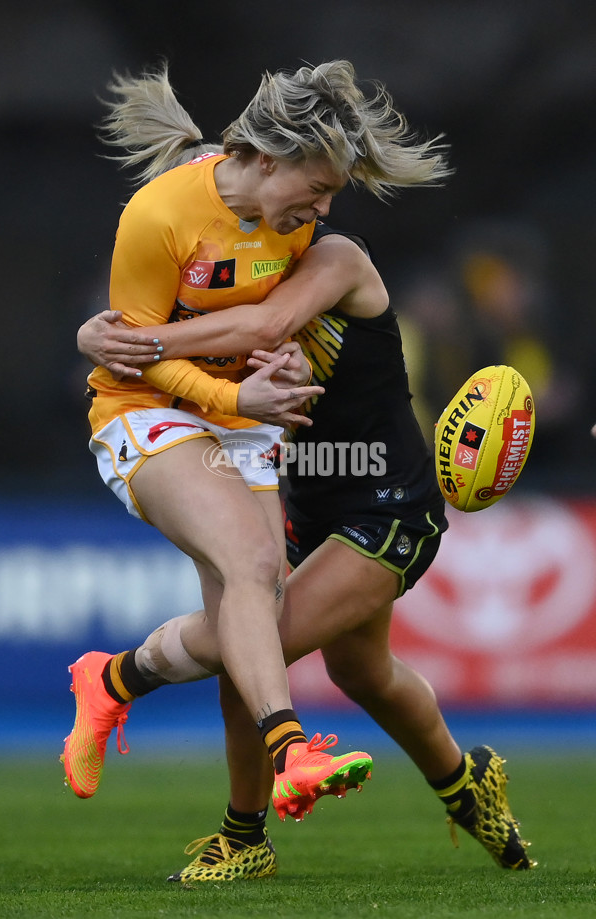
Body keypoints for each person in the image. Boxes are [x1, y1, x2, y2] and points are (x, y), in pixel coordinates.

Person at [76, 224, 535, 881]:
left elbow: (270, 323)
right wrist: (100, 339)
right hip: (310, 505)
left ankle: (140, 703)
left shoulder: (335, 258)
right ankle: (469, 786)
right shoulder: (220, 290)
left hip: (390, 503)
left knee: (250, 646)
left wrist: (132, 338)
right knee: (364, 671)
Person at [62, 59, 452, 822]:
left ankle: (122, 698)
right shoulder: (156, 216)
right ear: (268, 158)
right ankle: (292, 751)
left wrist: (280, 367)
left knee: (253, 621)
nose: (325, 205)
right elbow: (137, 361)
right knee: (253, 559)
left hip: (242, 420)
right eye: (318, 185)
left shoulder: (297, 222)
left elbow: (274, 326)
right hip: (145, 410)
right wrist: (232, 390)